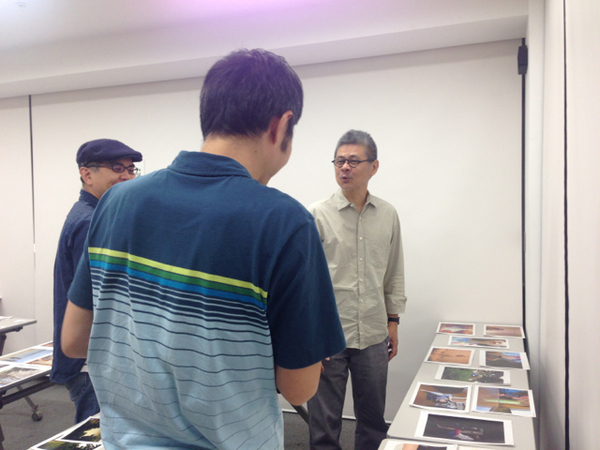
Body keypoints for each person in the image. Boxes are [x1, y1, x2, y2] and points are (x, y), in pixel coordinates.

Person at [61, 48, 346, 450]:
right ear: (280, 125)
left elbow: (74, 341)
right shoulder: (285, 221)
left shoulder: (116, 202)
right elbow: (299, 388)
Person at [307, 129, 407, 450]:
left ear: (373, 166)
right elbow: (305, 281)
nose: (345, 168)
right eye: (339, 161)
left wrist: (393, 321)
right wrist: (311, 334)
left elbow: (393, 271)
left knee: (373, 421)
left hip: (374, 333)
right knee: (323, 425)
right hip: (328, 336)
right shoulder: (317, 214)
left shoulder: (388, 214)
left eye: (353, 161)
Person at [51, 138, 143, 423]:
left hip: (92, 360)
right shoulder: (90, 222)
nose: (126, 176)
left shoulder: (95, 215)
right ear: (87, 174)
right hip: (90, 364)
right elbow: (101, 298)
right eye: (117, 168)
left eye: (131, 169)